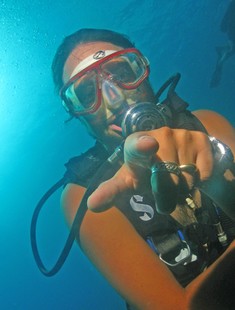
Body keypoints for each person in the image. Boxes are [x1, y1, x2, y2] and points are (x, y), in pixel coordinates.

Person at [52, 28, 235, 309]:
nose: (114, 99)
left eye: (123, 73)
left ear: (145, 71)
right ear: (77, 115)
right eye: (88, 93)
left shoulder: (207, 124)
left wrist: (217, 183)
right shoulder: (85, 196)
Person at [210, 0, 235, 88]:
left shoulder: (232, 4)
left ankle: (223, 54)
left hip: (231, 33)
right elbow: (228, 23)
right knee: (232, 49)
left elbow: (223, 26)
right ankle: (223, 55)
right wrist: (231, 39)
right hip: (232, 34)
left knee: (231, 49)